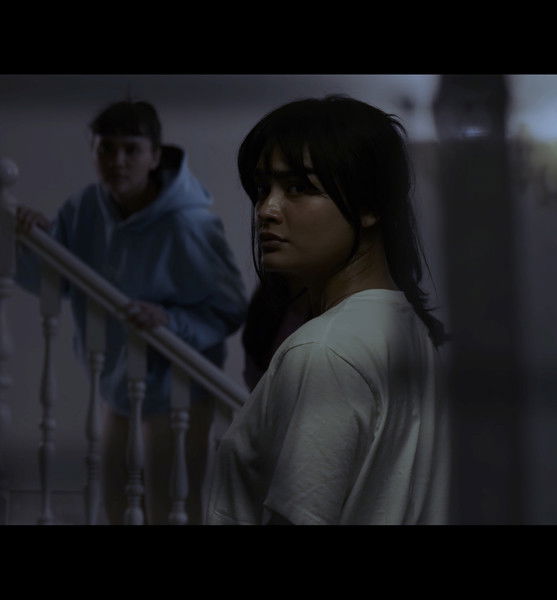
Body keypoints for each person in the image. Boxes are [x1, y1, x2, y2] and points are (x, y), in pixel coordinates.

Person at [206, 95, 450, 525]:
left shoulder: (325, 352)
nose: (266, 210)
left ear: (370, 205)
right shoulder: (403, 328)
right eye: (262, 189)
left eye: (299, 187)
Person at [15, 99, 247, 524]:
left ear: (155, 156)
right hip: (118, 383)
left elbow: (229, 308)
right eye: (106, 148)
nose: (117, 161)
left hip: (179, 387)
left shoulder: (188, 224)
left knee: (169, 507)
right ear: (93, 151)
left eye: (131, 149)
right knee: (115, 502)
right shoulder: (85, 207)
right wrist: (32, 241)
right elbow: (54, 283)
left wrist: (171, 321)